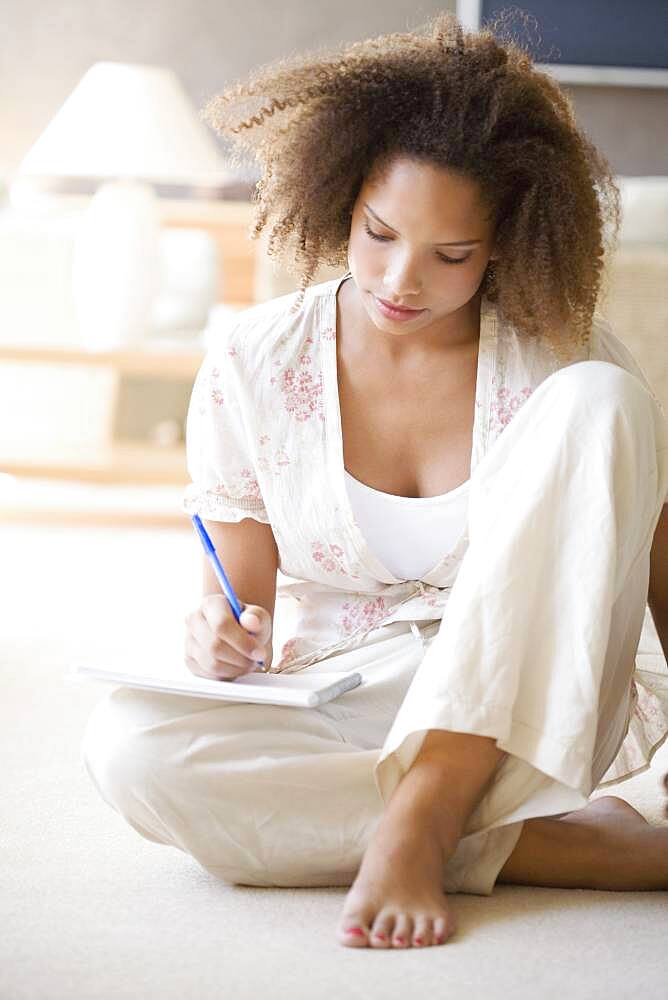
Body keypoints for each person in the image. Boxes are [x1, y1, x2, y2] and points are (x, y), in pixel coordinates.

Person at [81, 9, 668, 950]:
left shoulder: (562, 362)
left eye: (451, 256)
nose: (402, 279)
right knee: (129, 748)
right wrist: (221, 638)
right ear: (340, 197)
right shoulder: (252, 359)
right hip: (354, 698)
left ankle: (425, 820)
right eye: (379, 233)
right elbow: (242, 612)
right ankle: (565, 850)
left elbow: (653, 557)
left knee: (604, 397)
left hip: (530, 704)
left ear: (505, 244)